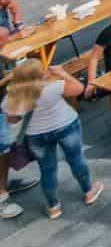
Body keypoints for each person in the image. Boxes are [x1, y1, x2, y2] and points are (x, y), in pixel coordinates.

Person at [3, 59, 102, 218]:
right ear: (41, 73)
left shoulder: (13, 96)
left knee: (47, 169)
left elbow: (12, 118)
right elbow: (78, 89)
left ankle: (53, 206)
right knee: (76, 159)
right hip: (66, 125)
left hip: (36, 134)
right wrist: (62, 73)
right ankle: (89, 191)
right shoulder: (53, 87)